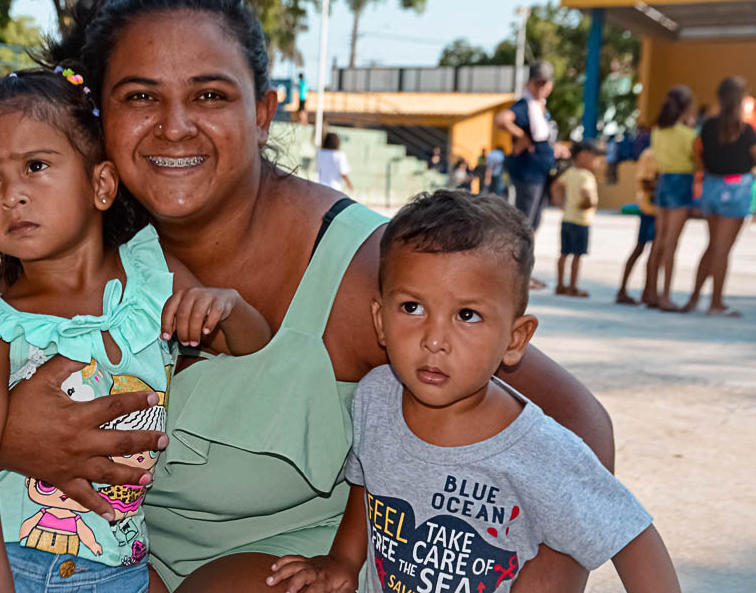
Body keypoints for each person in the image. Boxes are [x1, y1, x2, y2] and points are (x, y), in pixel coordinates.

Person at [0, 0, 617, 593]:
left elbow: (579, 428)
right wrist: (9, 435)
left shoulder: (364, 268)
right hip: (106, 567)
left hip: (289, 573)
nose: (175, 126)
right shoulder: (80, 245)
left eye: (210, 94)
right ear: (100, 119)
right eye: (140, 96)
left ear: (262, 111)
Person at [0, 69, 271, 593]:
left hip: (116, 569)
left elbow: (253, 348)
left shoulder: (155, 279)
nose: (10, 194)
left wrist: (230, 306)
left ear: (100, 184)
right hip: (4, 564)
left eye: (35, 166)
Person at [266, 191, 680, 593]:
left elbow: (631, 537)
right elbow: (369, 485)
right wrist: (343, 561)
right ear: (379, 319)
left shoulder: (540, 451)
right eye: (412, 307)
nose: (434, 339)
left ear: (516, 339)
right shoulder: (376, 396)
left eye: (467, 315)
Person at [681, 76, 756, 316]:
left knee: (712, 246)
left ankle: (694, 299)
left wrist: (708, 168)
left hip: (712, 186)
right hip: (736, 187)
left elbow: (696, 153)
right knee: (722, 250)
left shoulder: (708, 126)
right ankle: (716, 303)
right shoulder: (746, 130)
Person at [494, 62, 563, 234]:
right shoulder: (525, 105)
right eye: (537, 83)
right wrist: (521, 136)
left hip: (541, 172)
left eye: (544, 83)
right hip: (528, 172)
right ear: (529, 84)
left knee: (535, 221)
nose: (541, 87)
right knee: (525, 221)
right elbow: (502, 119)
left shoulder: (541, 108)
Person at [645, 86, 697, 311]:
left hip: (664, 182)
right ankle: (665, 296)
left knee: (659, 240)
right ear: (686, 107)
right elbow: (696, 161)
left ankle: (651, 292)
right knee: (671, 244)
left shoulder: (657, 132)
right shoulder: (689, 135)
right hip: (681, 182)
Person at [551, 140, 603, 297]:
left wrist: (559, 202)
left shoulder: (570, 172)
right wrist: (589, 203)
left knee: (564, 253)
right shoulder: (586, 176)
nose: (596, 161)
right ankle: (573, 286)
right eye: (594, 157)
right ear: (583, 156)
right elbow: (587, 195)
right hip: (581, 220)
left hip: (567, 218)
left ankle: (560, 285)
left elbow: (556, 186)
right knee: (577, 256)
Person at [616, 148, 660, 305]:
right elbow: (646, 181)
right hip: (651, 209)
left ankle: (648, 291)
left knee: (650, 250)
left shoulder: (654, 153)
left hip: (654, 209)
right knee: (647, 250)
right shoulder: (651, 154)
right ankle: (646, 293)